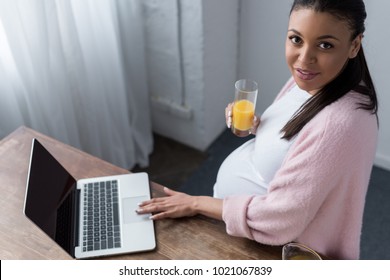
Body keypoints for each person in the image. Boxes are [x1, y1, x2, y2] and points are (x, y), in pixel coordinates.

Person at [136, 0, 378, 260]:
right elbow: (298, 142)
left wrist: (195, 203)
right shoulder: (316, 81)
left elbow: (278, 219)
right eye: (296, 39)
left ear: (354, 44)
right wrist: (260, 126)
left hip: (268, 247)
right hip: (239, 225)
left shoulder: (339, 123)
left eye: (325, 45)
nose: (304, 58)